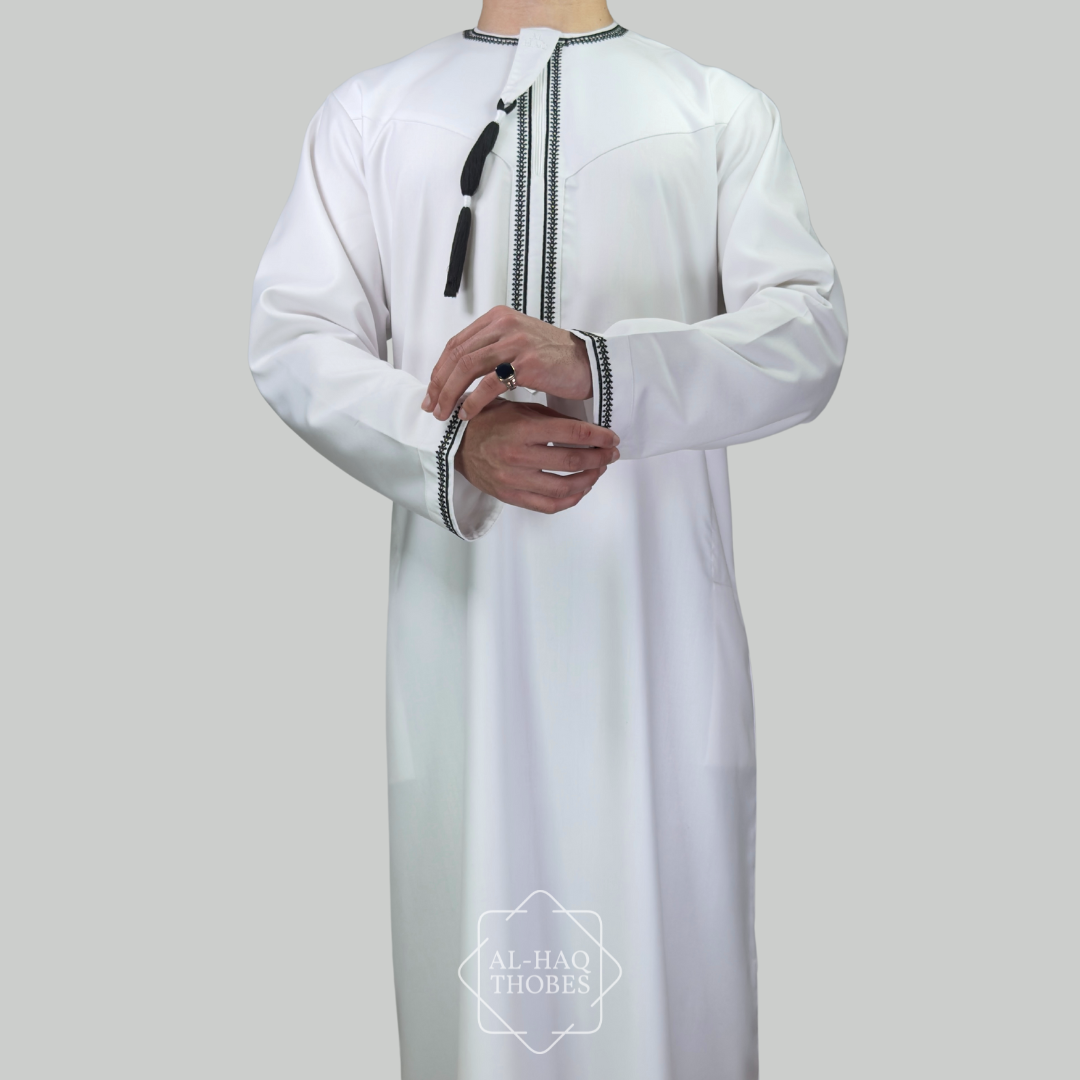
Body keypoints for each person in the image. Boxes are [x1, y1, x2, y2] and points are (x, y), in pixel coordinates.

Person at [249, 0, 847, 1076]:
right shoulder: (369, 113)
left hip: (658, 628)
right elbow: (294, 337)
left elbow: (805, 336)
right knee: (480, 983)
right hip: (462, 629)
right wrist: (450, 445)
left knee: (670, 984)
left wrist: (602, 364)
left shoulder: (715, 110)